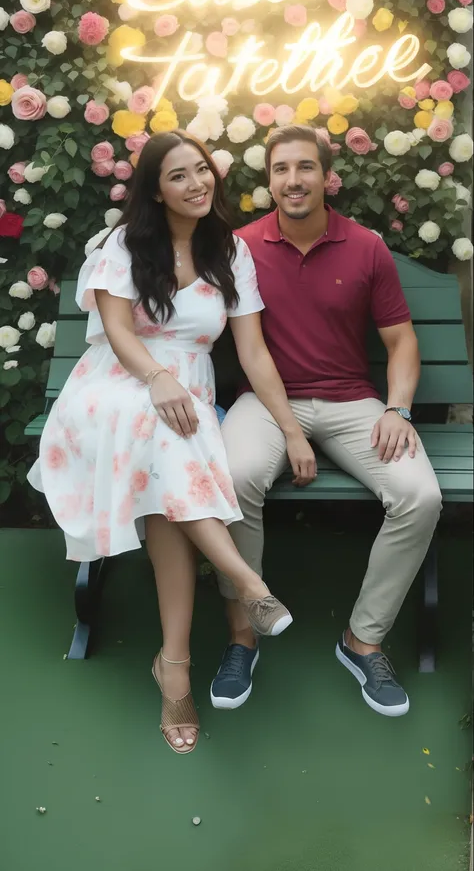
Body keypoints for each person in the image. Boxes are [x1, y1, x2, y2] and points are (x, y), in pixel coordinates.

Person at [28, 130, 317, 755]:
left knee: (166, 478)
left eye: (202, 171)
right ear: (155, 192)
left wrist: (291, 428)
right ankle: (245, 581)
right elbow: (116, 333)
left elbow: (252, 350)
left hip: (182, 394)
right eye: (179, 176)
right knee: (165, 434)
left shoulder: (231, 253)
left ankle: (175, 665)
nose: (197, 184)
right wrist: (157, 379)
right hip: (116, 386)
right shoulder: (122, 246)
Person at [211, 123, 442, 718]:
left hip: (351, 403)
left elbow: (402, 341)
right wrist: (289, 428)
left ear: (326, 176)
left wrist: (397, 408)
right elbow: (244, 347)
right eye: (281, 169)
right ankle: (244, 634)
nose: (293, 179)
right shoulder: (241, 246)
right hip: (266, 402)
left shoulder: (365, 246)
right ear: (269, 181)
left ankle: (363, 640)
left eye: (304, 167)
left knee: (419, 494)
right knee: (232, 479)